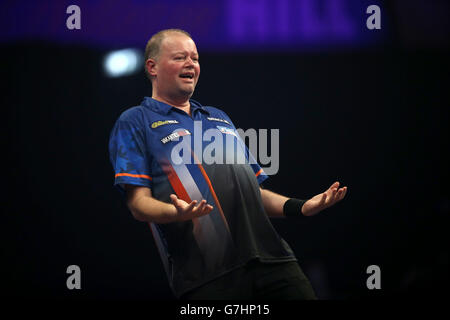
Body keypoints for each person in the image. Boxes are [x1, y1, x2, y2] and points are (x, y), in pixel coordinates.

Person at [108, 28, 347, 300]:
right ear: (152, 67)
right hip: (209, 278)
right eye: (179, 57)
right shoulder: (135, 121)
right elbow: (138, 204)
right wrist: (175, 213)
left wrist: (301, 207)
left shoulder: (218, 117)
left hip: (275, 262)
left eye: (195, 58)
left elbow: (255, 193)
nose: (191, 64)